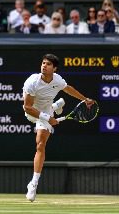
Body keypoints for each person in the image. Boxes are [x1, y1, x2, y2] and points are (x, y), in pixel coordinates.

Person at [22, 54, 95, 201]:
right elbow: (28, 107)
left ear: (54, 68)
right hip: (32, 112)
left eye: (48, 64)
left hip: (46, 110)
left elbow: (68, 89)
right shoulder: (32, 82)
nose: (44, 66)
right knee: (42, 114)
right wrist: (48, 118)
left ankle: (33, 183)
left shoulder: (58, 80)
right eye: (43, 63)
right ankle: (57, 106)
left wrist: (85, 99)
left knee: (40, 144)